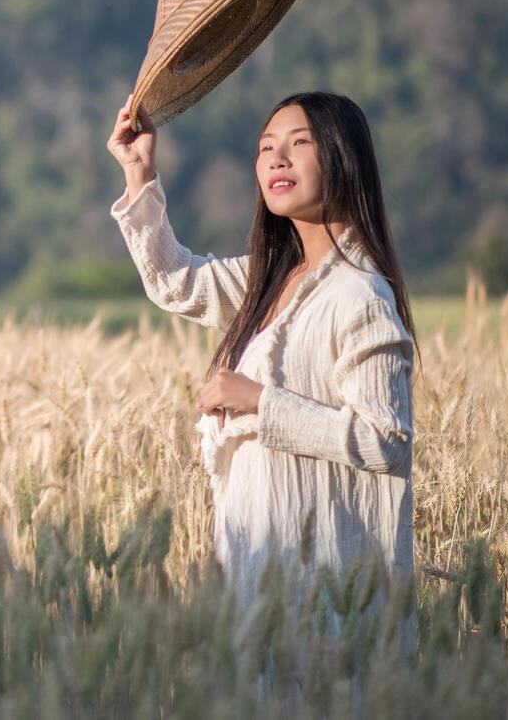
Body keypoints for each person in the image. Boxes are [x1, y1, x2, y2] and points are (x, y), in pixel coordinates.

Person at [105, 90, 418, 669]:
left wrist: (257, 402)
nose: (277, 159)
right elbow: (177, 282)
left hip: (325, 590)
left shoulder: (360, 295)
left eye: (299, 145)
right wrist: (139, 173)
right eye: (265, 148)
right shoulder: (272, 280)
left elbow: (387, 441)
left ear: (344, 159)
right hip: (261, 575)